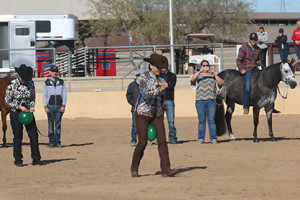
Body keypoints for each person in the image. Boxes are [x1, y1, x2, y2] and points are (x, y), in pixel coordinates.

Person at [130, 53, 177, 178]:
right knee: (142, 143)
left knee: (162, 141)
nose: (158, 69)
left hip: (157, 113)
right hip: (142, 113)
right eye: (156, 66)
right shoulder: (144, 77)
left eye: (159, 67)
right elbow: (146, 94)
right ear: (150, 66)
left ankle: (166, 170)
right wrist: (160, 89)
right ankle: (134, 168)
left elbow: (159, 98)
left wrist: (162, 106)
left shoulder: (162, 79)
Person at [5, 64, 44, 167]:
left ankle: (36, 159)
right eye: (23, 78)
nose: (24, 80)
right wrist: (18, 106)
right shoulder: (12, 84)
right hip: (15, 113)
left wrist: (31, 107)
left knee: (33, 135)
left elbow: (32, 98)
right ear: (18, 75)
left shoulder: (31, 83)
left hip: (28, 113)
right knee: (18, 135)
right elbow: (7, 100)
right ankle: (18, 160)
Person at [190, 60, 223, 144]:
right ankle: (201, 138)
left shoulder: (212, 75)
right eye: (203, 65)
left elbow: (221, 83)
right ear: (201, 66)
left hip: (211, 100)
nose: (205, 66)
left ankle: (213, 138)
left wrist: (215, 74)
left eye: (207, 65)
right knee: (201, 121)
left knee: (211, 120)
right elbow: (192, 80)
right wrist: (199, 72)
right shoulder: (199, 75)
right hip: (200, 101)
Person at [236, 32, 262, 114]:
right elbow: (238, 61)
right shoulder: (244, 48)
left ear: (257, 40)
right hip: (247, 69)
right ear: (249, 40)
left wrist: (259, 62)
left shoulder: (258, 49)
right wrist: (241, 69)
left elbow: (259, 59)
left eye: (255, 40)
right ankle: (246, 106)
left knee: (264, 80)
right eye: (252, 39)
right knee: (247, 84)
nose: (253, 41)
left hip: (255, 68)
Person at [42, 65, 67, 148]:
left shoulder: (62, 82)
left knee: (58, 125)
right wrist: (45, 106)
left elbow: (64, 94)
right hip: (50, 107)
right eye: (53, 71)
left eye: (56, 71)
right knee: (50, 125)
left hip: (59, 107)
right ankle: (52, 141)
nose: (54, 73)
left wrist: (63, 106)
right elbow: (44, 95)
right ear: (50, 72)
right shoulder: (46, 83)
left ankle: (58, 141)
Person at [160, 58, 177, 144]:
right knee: (159, 121)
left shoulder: (172, 75)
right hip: (160, 101)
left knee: (171, 121)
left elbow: (171, 85)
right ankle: (160, 139)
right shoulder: (158, 75)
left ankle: (172, 138)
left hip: (169, 100)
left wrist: (164, 86)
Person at [126, 69, 144, 146]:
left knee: (145, 124)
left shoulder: (146, 85)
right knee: (135, 125)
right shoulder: (132, 85)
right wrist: (133, 103)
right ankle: (133, 139)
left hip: (145, 109)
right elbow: (128, 95)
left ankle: (144, 140)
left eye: (140, 75)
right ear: (135, 76)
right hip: (135, 109)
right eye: (137, 75)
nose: (139, 77)